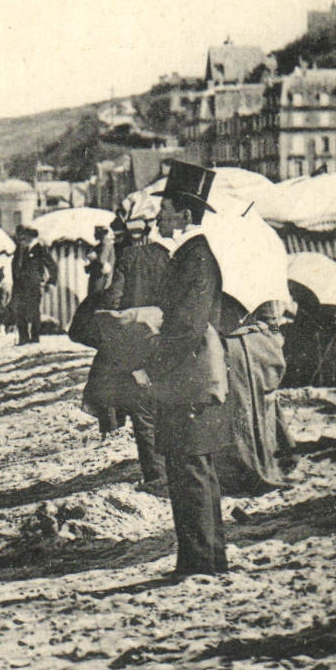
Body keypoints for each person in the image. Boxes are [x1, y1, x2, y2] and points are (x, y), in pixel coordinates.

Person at [136, 162, 230, 577]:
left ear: (186, 215)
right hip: (188, 379)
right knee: (194, 470)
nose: (159, 217)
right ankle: (206, 559)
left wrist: (152, 363)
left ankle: (199, 563)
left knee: (189, 472)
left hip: (186, 381)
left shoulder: (195, 258)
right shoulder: (192, 256)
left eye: (166, 210)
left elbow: (187, 327)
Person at [103, 211, 172, 493]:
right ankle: (171, 467)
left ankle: (154, 474)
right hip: (164, 334)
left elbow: (113, 299)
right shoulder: (166, 255)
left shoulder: (128, 257)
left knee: (142, 410)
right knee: (167, 403)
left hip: (136, 337)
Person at [218, 298, 295, 496]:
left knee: (243, 412)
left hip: (241, 346)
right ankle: (270, 463)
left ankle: (249, 468)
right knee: (263, 410)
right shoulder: (263, 284)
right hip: (261, 345)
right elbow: (273, 322)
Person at [10, 226, 58, 344]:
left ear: (30, 237)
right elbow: (15, 266)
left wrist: (51, 281)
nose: (21, 239)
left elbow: (52, 266)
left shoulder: (40, 249)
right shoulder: (19, 250)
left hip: (33, 285)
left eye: (24, 237)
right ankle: (23, 337)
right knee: (19, 310)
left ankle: (35, 337)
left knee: (33, 311)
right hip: (19, 285)